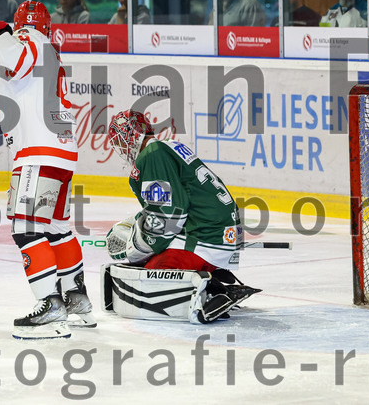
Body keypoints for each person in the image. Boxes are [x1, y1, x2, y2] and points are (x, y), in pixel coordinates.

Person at [0, 0, 93, 340]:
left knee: (26, 230)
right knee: (58, 228)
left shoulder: (29, 40)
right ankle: (77, 301)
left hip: (38, 152)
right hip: (62, 153)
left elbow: (15, 58)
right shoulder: (46, 53)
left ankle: (50, 307)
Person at [103, 109, 261, 324]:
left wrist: (139, 246)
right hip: (221, 232)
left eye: (120, 141)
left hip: (206, 237)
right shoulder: (167, 147)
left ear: (131, 135)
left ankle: (210, 293)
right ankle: (213, 281)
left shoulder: (151, 155)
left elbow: (169, 213)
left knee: (151, 274)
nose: (119, 148)